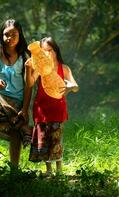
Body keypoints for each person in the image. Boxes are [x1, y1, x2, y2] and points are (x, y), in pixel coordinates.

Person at [0, 19, 33, 167]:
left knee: (15, 132)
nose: (9, 38)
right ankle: (25, 129)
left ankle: (14, 170)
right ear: (1, 35)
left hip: (18, 100)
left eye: (13, 34)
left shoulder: (24, 56)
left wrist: (25, 108)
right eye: (6, 34)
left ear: (20, 35)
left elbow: (28, 86)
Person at [25, 37, 79, 174]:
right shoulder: (40, 68)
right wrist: (28, 69)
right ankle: (48, 170)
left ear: (56, 51)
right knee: (43, 139)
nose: (47, 54)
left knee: (56, 138)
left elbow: (75, 85)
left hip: (58, 109)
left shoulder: (64, 68)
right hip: (41, 108)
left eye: (50, 50)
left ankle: (59, 170)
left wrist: (70, 87)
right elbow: (30, 83)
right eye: (44, 51)